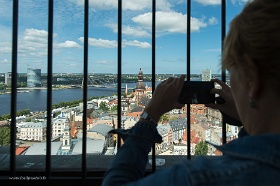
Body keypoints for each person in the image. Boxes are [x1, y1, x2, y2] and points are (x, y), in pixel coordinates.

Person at [102, 0, 280, 185]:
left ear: (252, 80)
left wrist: (149, 116)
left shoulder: (199, 178)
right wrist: (247, 117)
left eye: (233, 73)